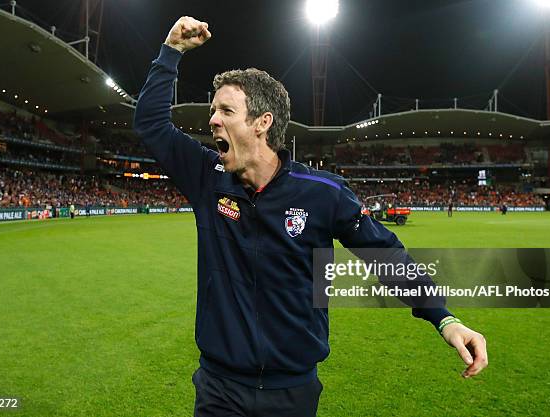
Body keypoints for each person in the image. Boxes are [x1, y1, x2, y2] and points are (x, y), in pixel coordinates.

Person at [134, 16, 488, 417]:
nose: (212, 119)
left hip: (292, 391)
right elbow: (150, 124)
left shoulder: (324, 192)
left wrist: (444, 319)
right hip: (220, 388)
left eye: (226, 111)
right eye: (213, 110)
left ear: (262, 124)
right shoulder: (206, 176)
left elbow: (386, 255)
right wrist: (171, 52)